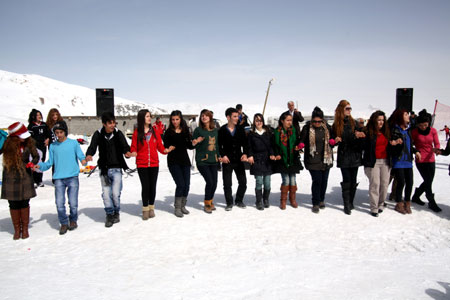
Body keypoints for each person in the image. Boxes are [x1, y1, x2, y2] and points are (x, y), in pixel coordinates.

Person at [34, 121, 87, 234]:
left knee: (73, 202)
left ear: (65, 132)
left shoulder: (73, 143)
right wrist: (40, 166)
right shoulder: (53, 146)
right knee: (59, 202)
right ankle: (63, 222)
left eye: (61, 132)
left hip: (72, 176)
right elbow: (49, 162)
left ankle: (73, 219)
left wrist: (84, 161)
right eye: (57, 133)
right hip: (59, 178)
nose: (59, 135)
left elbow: (80, 155)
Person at [85, 112, 133, 227]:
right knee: (106, 193)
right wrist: (89, 154)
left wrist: (127, 153)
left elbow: (124, 146)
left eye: (114, 123)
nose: (112, 125)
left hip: (116, 168)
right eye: (110, 123)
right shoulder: (98, 134)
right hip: (104, 170)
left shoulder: (118, 134)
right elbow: (92, 146)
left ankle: (116, 212)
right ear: (104, 124)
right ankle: (109, 214)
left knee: (115, 194)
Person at [130, 109, 173, 220]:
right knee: (145, 186)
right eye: (147, 116)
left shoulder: (154, 131)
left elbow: (159, 146)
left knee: (152, 186)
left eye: (150, 116)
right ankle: (145, 209)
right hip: (142, 164)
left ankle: (151, 208)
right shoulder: (137, 132)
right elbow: (134, 147)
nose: (149, 118)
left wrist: (166, 151)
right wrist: (133, 152)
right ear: (141, 118)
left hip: (154, 164)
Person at [1, 122, 38, 239]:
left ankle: (25, 228)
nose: (24, 138)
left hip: (25, 176)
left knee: (24, 202)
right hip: (10, 176)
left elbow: (36, 156)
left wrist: (33, 163)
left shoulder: (29, 142)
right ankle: (17, 229)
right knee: (13, 203)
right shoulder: (7, 144)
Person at [332, 100, 365, 215]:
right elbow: (332, 141)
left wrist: (360, 136)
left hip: (355, 155)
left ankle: (351, 202)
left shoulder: (355, 123)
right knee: (347, 180)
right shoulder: (336, 124)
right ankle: (346, 204)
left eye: (350, 108)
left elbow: (362, 140)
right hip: (344, 155)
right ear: (341, 109)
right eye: (347, 108)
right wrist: (335, 141)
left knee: (353, 180)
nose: (349, 110)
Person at [299, 107, 335, 213]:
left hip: (325, 159)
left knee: (324, 181)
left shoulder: (327, 128)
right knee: (317, 180)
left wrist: (333, 142)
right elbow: (302, 140)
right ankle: (315, 202)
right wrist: (301, 145)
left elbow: (332, 140)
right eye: (315, 121)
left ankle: (321, 200)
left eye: (319, 121)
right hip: (313, 160)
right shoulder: (307, 128)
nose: (317, 123)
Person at [389, 109, 421, 215]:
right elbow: (390, 145)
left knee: (410, 182)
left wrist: (415, 151)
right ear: (400, 117)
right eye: (406, 114)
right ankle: (399, 203)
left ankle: (407, 202)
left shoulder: (408, 131)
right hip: (398, 161)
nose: (408, 116)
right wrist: (394, 143)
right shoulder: (395, 130)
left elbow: (410, 145)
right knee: (401, 182)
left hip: (408, 161)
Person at [163, 110, 195, 218]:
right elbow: (165, 145)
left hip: (185, 161)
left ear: (180, 119)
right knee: (180, 184)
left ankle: (182, 206)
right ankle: (177, 207)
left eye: (177, 119)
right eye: (173, 119)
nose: (175, 121)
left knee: (187, 185)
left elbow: (189, 146)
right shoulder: (168, 132)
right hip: (173, 161)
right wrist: (168, 148)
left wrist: (194, 143)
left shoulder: (185, 131)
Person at [411, 109, 441, 212]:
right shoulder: (414, 132)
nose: (423, 127)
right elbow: (410, 145)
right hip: (420, 159)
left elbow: (437, 143)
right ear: (417, 125)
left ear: (428, 123)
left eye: (425, 125)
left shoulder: (433, 131)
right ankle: (431, 202)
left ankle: (416, 195)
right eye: (421, 125)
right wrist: (415, 151)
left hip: (430, 158)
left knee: (429, 180)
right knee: (428, 180)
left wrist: (436, 149)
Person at [362, 111, 391, 217]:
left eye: (383, 120)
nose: (381, 122)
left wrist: (395, 143)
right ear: (374, 120)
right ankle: (374, 207)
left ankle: (381, 204)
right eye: (379, 120)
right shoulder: (368, 132)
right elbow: (363, 146)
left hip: (385, 161)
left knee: (384, 184)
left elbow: (392, 145)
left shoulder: (387, 131)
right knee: (375, 184)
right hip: (373, 161)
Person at [218, 107, 249, 210]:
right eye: (235, 116)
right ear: (228, 117)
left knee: (243, 183)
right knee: (227, 184)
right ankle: (229, 203)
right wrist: (223, 155)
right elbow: (219, 146)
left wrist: (245, 154)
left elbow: (245, 144)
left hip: (239, 160)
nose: (237, 118)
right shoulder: (222, 130)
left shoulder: (240, 129)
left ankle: (239, 200)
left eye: (238, 116)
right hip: (227, 161)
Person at [192, 109, 221, 213]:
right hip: (202, 160)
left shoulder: (215, 131)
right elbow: (192, 143)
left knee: (215, 183)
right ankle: (207, 203)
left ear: (210, 117)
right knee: (209, 182)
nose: (204, 117)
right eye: (202, 116)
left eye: (206, 116)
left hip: (213, 160)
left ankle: (211, 200)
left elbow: (217, 145)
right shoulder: (198, 130)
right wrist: (196, 141)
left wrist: (219, 156)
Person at [273, 111, 302, 209]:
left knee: (293, 180)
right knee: (286, 180)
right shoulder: (277, 132)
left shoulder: (293, 130)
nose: (290, 122)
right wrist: (277, 154)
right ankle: (283, 200)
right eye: (288, 120)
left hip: (293, 159)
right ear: (282, 121)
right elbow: (275, 146)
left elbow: (297, 141)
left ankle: (292, 199)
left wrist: (298, 147)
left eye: (291, 120)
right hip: (282, 160)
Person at [247, 113, 276, 210]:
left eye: (260, 120)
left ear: (263, 121)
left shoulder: (268, 132)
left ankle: (266, 199)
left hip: (267, 160)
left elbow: (271, 146)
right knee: (259, 181)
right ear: (254, 122)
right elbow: (249, 147)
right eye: (256, 120)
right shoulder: (251, 134)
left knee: (267, 182)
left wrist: (272, 154)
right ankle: (258, 200)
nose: (258, 122)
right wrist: (250, 155)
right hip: (257, 160)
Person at [27, 108, 51, 187]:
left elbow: (49, 134)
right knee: (34, 162)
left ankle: (39, 180)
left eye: (40, 115)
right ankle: (33, 180)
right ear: (33, 116)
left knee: (41, 162)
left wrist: (48, 139)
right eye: (37, 115)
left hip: (43, 146)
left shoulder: (44, 124)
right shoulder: (31, 126)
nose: (39, 116)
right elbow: (29, 137)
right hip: (34, 147)